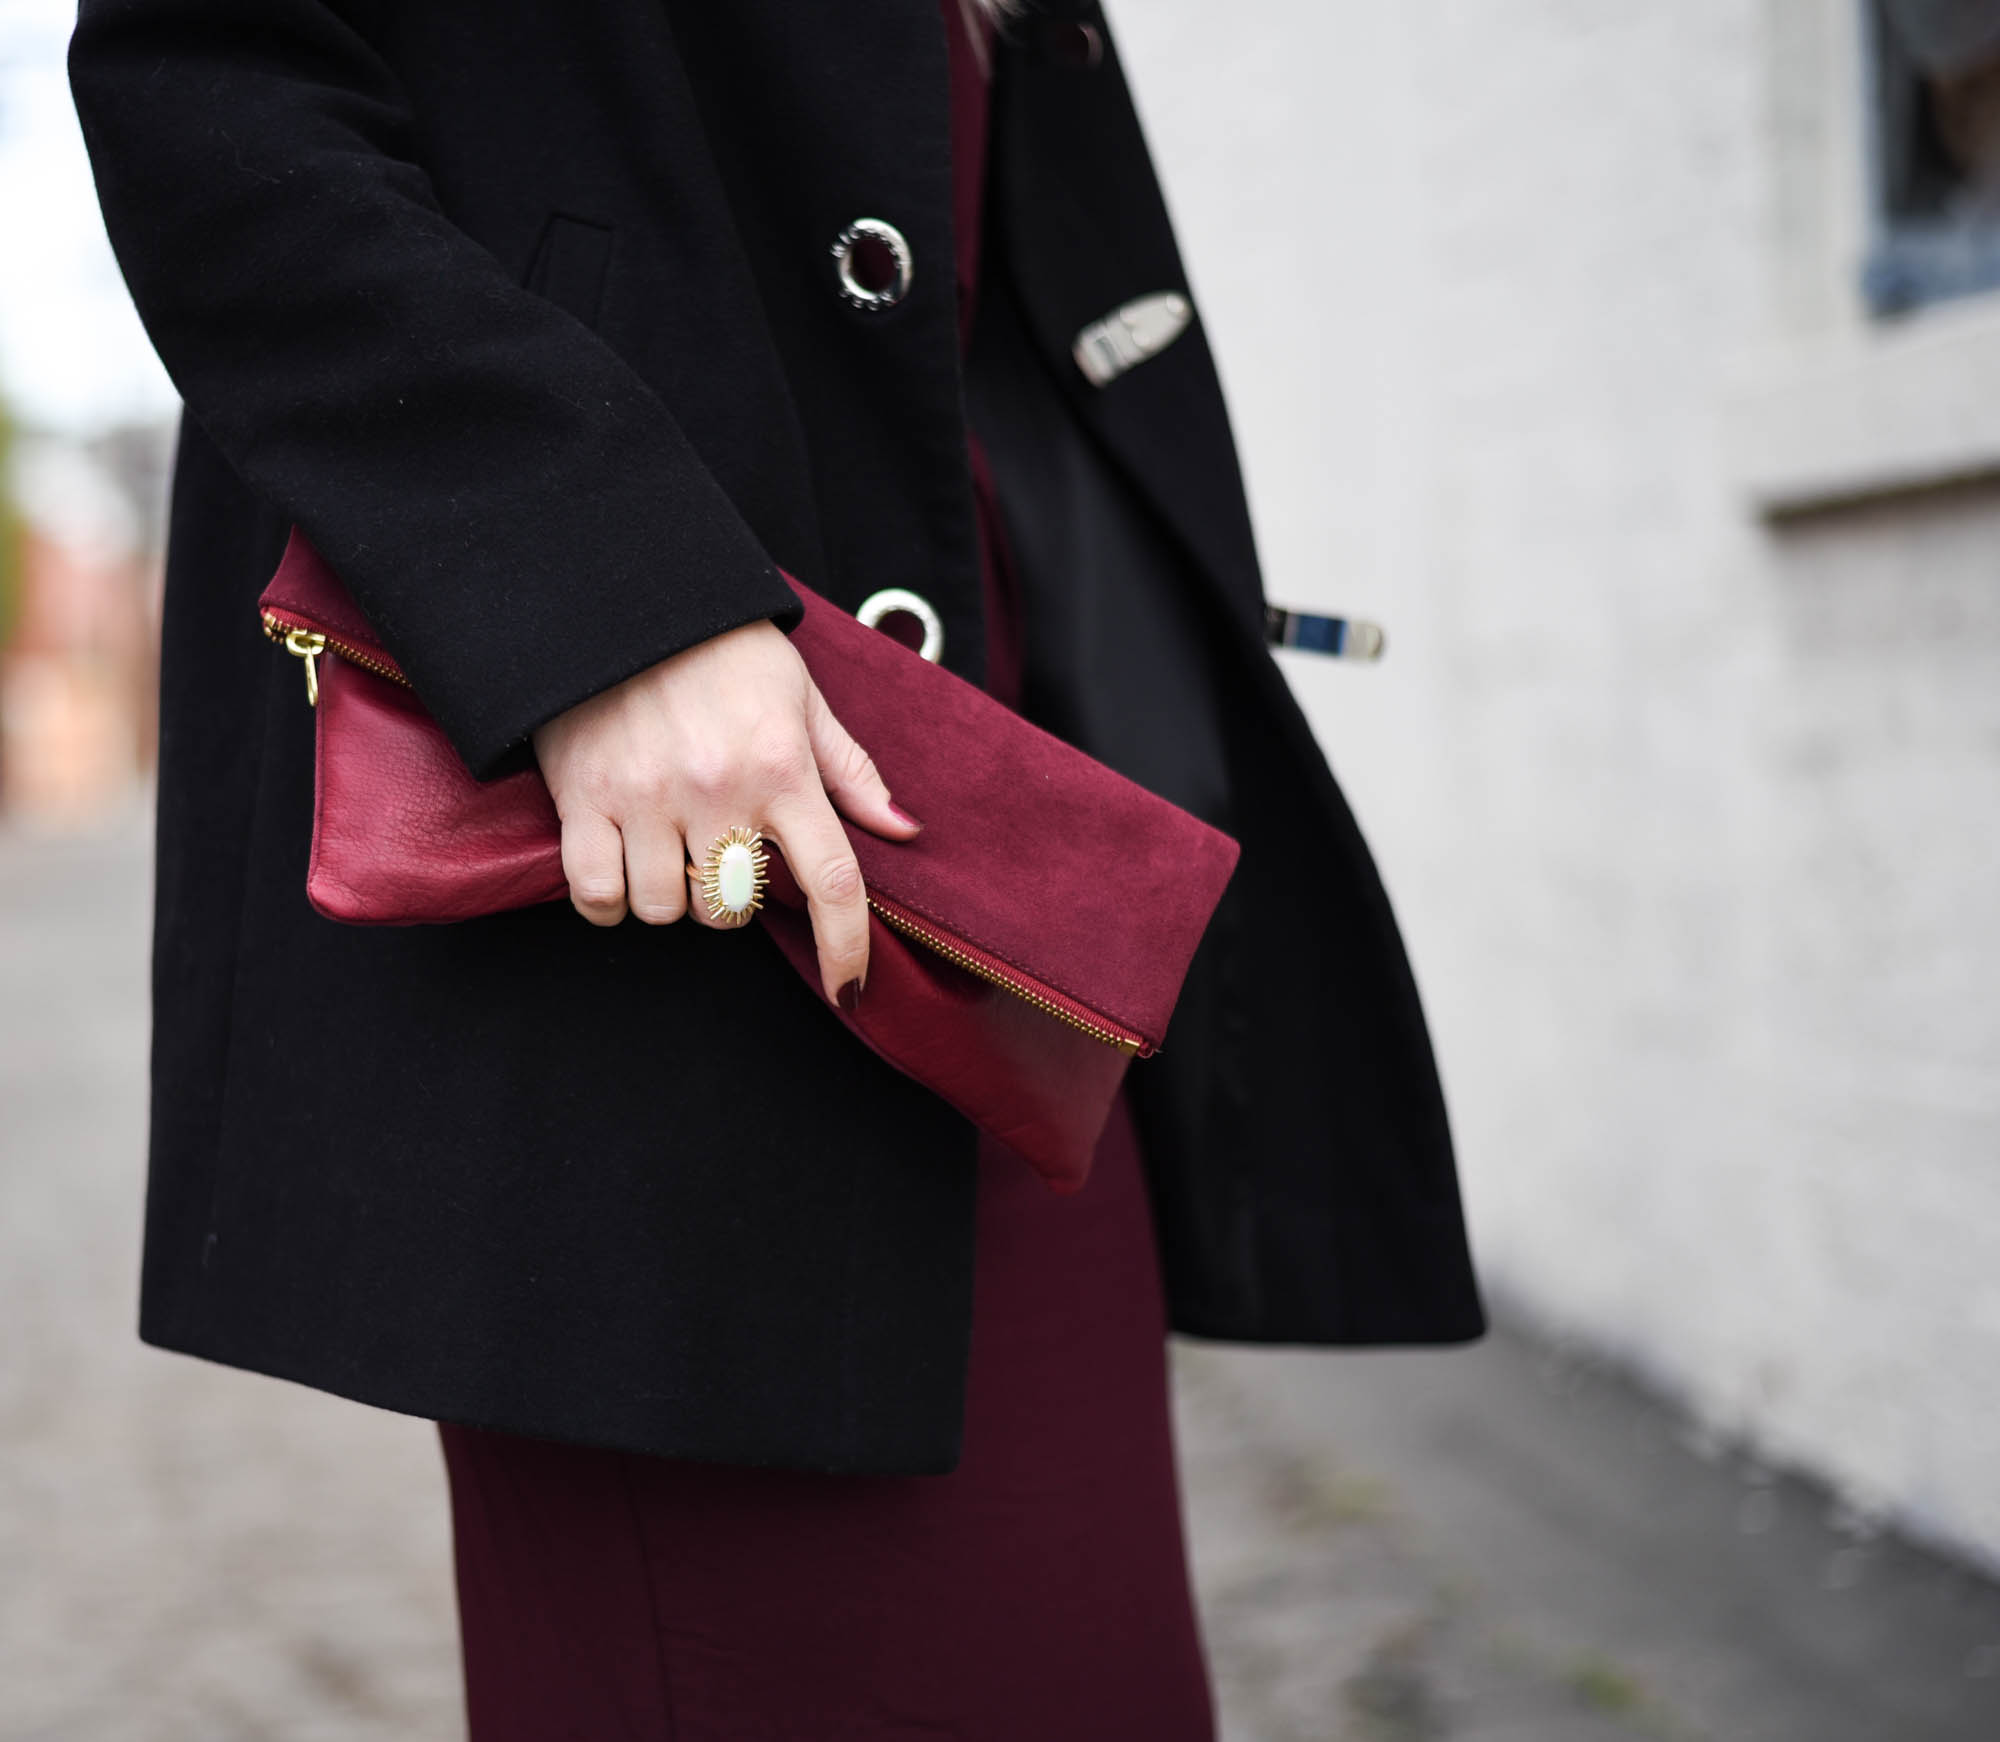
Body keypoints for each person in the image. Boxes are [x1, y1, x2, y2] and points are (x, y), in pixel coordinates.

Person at [70, 0, 1483, 1732]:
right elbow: (206, 70)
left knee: (1093, 1668)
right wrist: (601, 596)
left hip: (981, 895)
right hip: (666, 897)